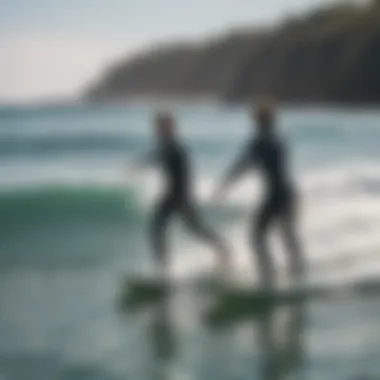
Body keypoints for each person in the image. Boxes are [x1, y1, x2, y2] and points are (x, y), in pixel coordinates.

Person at [215, 100, 304, 289]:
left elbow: (243, 165)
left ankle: (269, 276)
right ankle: (298, 272)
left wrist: (225, 185)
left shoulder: (258, 143)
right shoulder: (280, 140)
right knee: (287, 234)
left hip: (274, 195)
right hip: (288, 192)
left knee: (257, 236)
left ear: (257, 121)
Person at [135, 111, 230, 278]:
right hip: (173, 195)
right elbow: (156, 156)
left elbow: (182, 169)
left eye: (160, 127)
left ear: (169, 128)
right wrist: (141, 163)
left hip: (179, 196)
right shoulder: (168, 146)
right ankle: (163, 266)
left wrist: (184, 196)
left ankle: (221, 249)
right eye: (157, 127)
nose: (157, 131)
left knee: (189, 228)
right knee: (161, 229)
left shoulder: (175, 147)